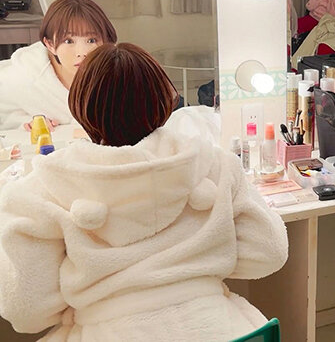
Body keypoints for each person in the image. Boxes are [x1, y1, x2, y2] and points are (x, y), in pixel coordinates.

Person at [0, 43, 288, 341]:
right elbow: (268, 253)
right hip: (219, 329)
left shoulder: (45, 187)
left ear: (80, 106)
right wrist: (199, 270)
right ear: (164, 101)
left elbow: (26, 309)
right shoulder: (214, 164)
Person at [0, 0, 117, 130]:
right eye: (68, 41)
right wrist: (25, 123)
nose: (82, 52)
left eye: (91, 40)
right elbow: (5, 117)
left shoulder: (119, 73)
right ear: (50, 44)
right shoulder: (24, 77)